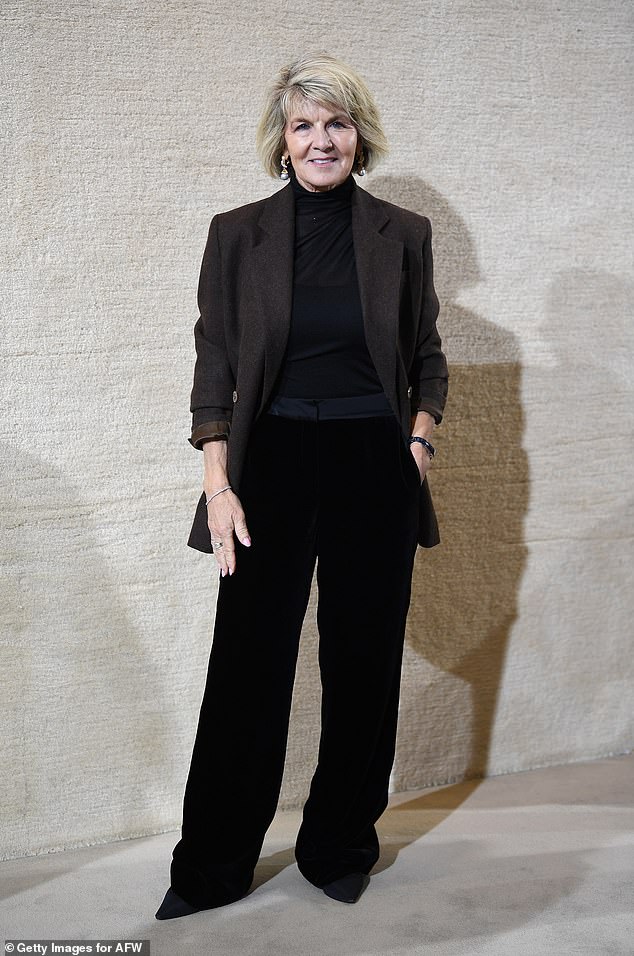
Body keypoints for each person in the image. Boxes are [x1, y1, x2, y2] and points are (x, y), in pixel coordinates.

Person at [155, 52, 448, 920]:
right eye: (304, 125)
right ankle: (209, 867)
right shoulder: (236, 232)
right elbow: (215, 363)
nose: (322, 140)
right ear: (282, 142)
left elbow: (425, 356)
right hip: (272, 460)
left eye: (338, 123)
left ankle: (339, 848)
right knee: (248, 666)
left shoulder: (404, 235)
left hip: (373, 460)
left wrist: (418, 446)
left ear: (361, 135)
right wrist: (219, 483)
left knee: (362, 662)